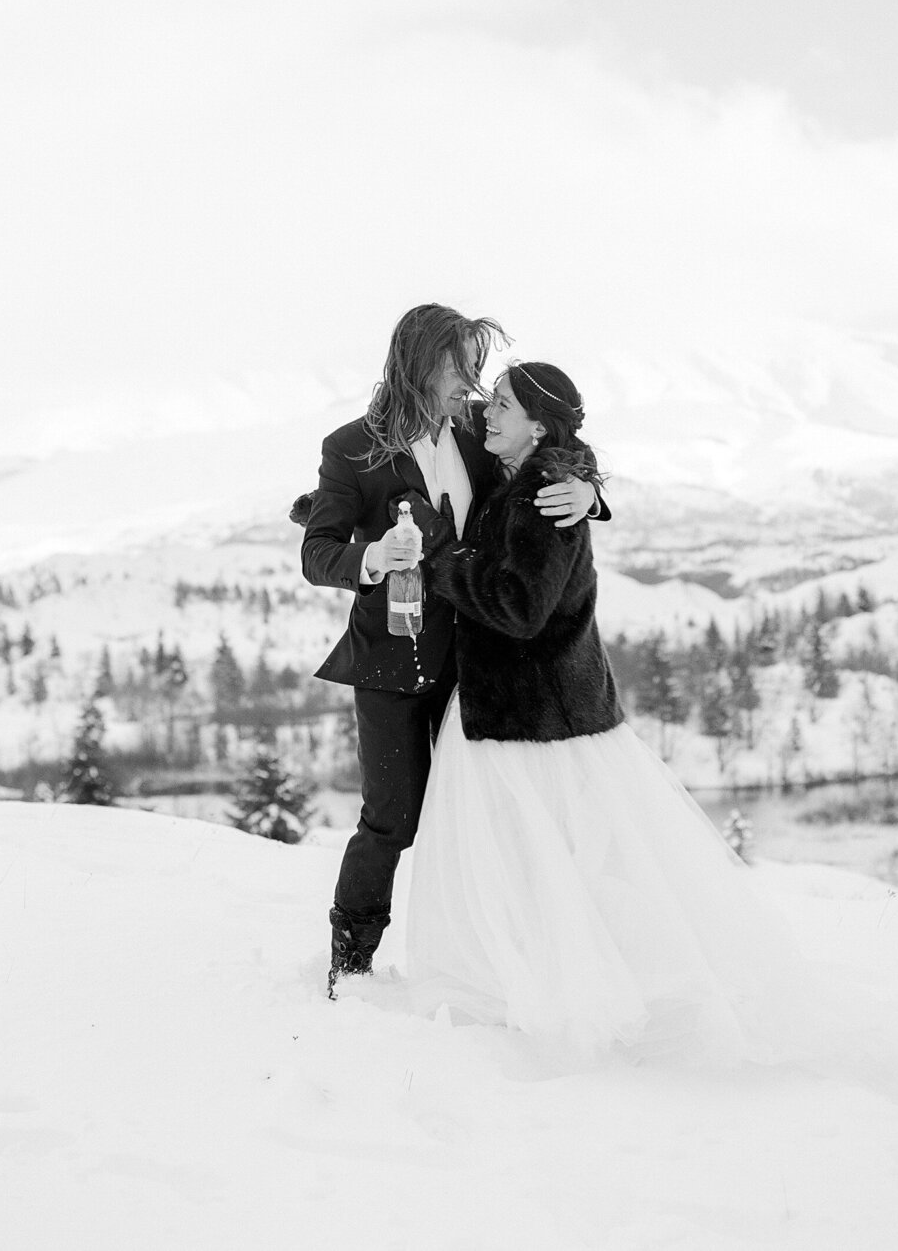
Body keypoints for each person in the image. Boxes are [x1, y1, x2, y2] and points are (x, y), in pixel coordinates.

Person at [396, 360, 822, 1068]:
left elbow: (520, 608)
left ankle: (585, 994)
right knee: (549, 862)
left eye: (500, 403)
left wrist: (442, 558)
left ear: (537, 425)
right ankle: (541, 982)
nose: (482, 410)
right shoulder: (533, 472)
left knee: (561, 865)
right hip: (524, 713)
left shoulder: (540, 491)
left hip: (537, 722)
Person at [297, 307, 607, 996]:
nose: (471, 381)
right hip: (391, 659)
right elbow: (317, 551)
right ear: (419, 362)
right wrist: (371, 555)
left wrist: (587, 492)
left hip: (475, 666)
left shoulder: (475, 433)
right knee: (392, 819)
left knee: (475, 821)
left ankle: (487, 964)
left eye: (475, 365)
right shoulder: (350, 447)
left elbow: (543, 457)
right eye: (458, 363)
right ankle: (350, 963)